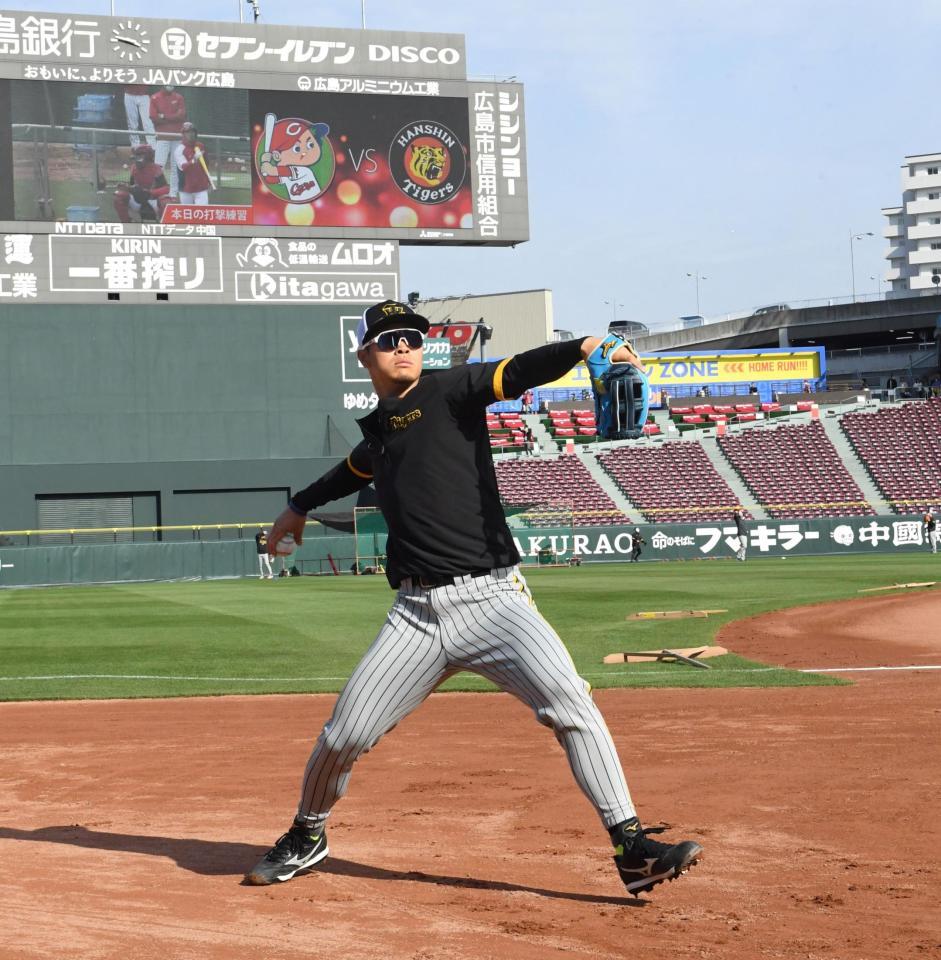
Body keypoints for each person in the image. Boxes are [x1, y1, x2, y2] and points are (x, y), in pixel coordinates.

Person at [245, 299, 702, 895]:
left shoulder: (451, 390)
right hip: (414, 617)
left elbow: (519, 370)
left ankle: (631, 847)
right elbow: (352, 470)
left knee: (572, 704)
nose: (404, 345)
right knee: (344, 736)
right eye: (389, 339)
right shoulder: (381, 431)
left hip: (494, 602)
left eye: (412, 337)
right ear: (364, 355)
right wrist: (297, 506)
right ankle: (308, 833)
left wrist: (583, 347)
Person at [113, 144, 170, 223]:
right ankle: (127, 223)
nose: (137, 160)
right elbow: (132, 185)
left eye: (140, 156)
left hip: (153, 200)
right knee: (119, 196)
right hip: (137, 200)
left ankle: (164, 225)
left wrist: (150, 192)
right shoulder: (134, 168)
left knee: (165, 201)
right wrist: (127, 188)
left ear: (148, 157)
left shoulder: (156, 169)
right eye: (137, 156)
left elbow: (166, 189)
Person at [149, 85, 186, 198]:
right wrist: (172, 117)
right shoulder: (155, 98)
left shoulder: (179, 97)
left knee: (176, 166)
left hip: (177, 136)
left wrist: (163, 116)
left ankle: (173, 194)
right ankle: (157, 192)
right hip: (162, 136)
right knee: (158, 166)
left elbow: (181, 116)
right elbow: (153, 117)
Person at [173, 123, 212, 206]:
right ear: (183, 134)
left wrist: (208, 181)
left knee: (202, 211)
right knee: (187, 212)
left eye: (192, 132)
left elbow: (206, 165)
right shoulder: (179, 150)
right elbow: (183, 167)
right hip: (186, 188)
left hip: (201, 187)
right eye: (187, 132)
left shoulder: (201, 146)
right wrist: (194, 160)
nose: (191, 134)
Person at [123, 83, 155, 149]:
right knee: (132, 123)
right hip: (129, 93)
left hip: (144, 94)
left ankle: (152, 145)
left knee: (148, 122)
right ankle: (135, 145)